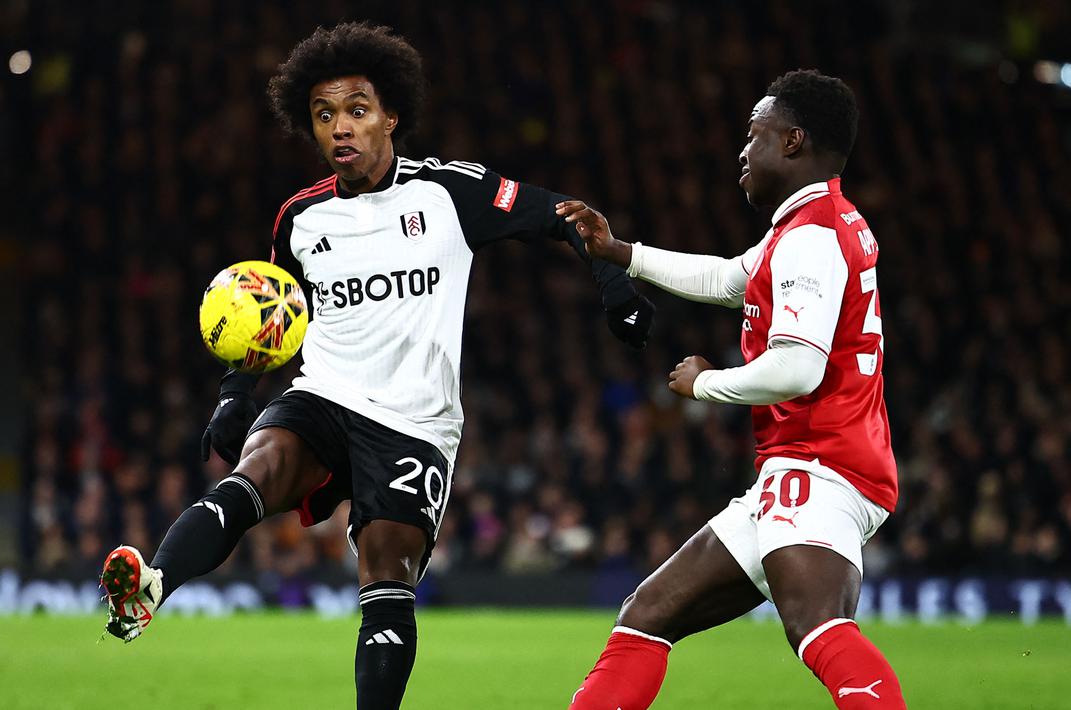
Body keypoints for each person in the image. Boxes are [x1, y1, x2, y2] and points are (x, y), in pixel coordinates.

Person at [97, 21, 654, 710]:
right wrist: (235, 394)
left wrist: (614, 284)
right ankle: (148, 590)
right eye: (324, 114)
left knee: (385, 568)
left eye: (356, 110)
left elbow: (567, 214)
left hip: (414, 423)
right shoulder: (299, 219)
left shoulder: (450, 193)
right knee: (256, 469)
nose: (340, 128)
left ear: (390, 115)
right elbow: (268, 316)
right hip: (323, 394)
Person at [562, 70, 906, 709]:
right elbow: (728, 279)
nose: (743, 152)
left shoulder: (811, 238)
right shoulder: (810, 226)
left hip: (821, 462)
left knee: (817, 625)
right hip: (814, 461)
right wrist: (620, 253)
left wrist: (704, 384)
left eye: (755, 135)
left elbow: (798, 368)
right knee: (648, 613)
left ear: (794, 141)